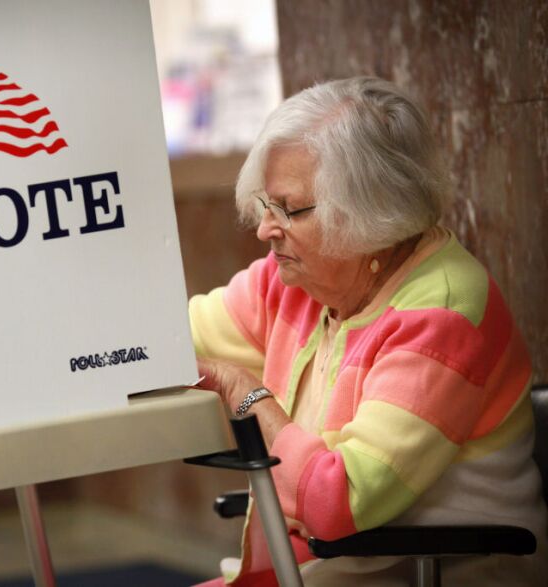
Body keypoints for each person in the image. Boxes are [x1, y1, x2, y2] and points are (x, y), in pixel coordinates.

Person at [190, 76, 547, 586]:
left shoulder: (442, 312)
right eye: (267, 206)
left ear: (368, 211)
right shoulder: (294, 277)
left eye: (289, 209)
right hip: (333, 568)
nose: (266, 229)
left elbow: (337, 502)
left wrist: (247, 395)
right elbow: (176, 340)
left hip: (442, 572)